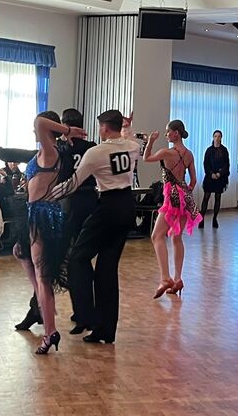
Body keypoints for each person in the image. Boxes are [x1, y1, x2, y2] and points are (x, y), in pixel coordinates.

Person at [61, 110, 142, 344]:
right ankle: (105, 330)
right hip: (127, 206)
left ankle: (86, 315)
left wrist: (45, 195)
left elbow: (73, 184)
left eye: (100, 127)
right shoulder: (132, 147)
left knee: (77, 258)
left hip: (107, 207)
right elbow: (130, 139)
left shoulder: (96, 152)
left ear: (104, 127)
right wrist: (128, 127)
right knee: (107, 269)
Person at [14, 112, 87, 354]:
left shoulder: (50, 151)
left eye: (39, 130)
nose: (34, 131)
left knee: (43, 277)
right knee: (20, 252)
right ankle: (42, 303)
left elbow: (39, 122)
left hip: (43, 214)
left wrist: (67, 130)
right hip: (35, 212)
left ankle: (50, 331)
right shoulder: (46, 152)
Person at [143, 120, 201, 298]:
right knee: (177, 237)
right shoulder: (189, 154)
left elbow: (146, 158)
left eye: (168, 131)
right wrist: (185, 193)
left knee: (156, 236)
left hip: (172, 197)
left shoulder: (167, 153)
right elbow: (193, 180)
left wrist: (150, 141)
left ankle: (165, 278)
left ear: (176, 133)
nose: (166, 134)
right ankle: (178, 279)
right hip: (185, 196)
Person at [199, 130, 230, 229]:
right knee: (206, 197)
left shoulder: (224, 150)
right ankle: (201, 219)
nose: (217, 138)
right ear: (213, 137)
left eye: (219, 136)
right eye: (215, 136)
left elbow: (226, 164)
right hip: (210, 177)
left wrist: (220, 173)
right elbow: (206, 164)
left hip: (220, 177)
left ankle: (215, 219)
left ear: (221, 138)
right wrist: (211, 174)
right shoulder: (209, 150)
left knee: (218, 197)